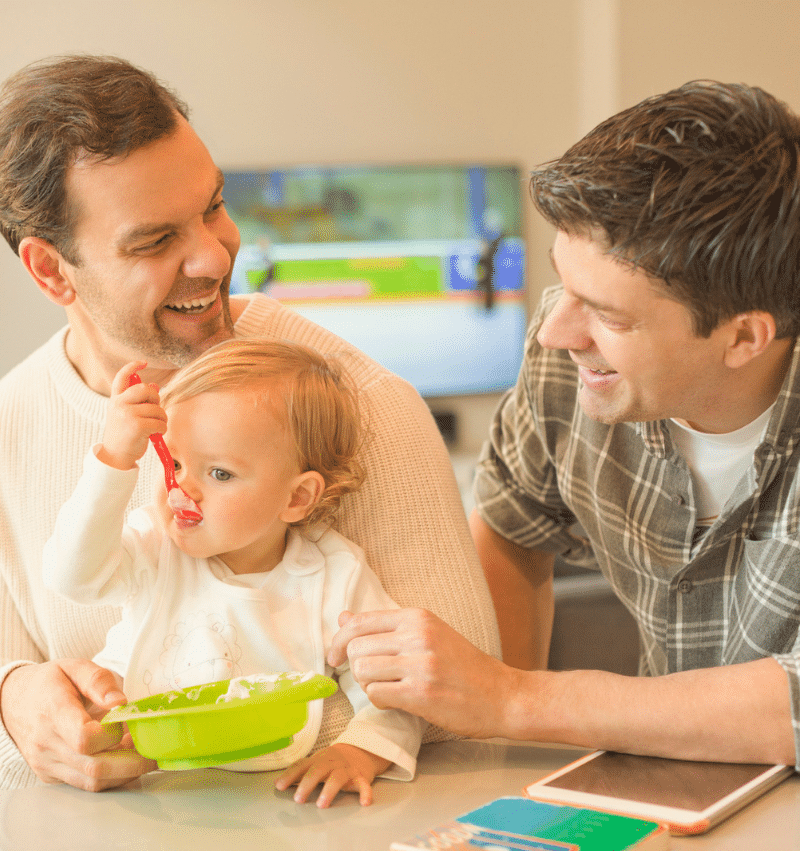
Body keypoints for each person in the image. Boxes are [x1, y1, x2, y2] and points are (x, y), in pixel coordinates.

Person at [0, 54, 500, 848]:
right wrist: (14, 707)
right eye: (155, 240)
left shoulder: (358, 403)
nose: (216, 256)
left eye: (213, 207)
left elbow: (464, 709)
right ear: (51, 270)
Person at [329, 79, 800, 769]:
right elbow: (515, 529)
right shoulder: (570, 364)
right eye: (562, 284)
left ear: (744, 338)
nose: (553, 331)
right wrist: (487, 752)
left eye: (608, 315)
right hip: (670, 787)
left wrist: (514, 700)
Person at [43, 339, 426, 808]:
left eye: (219, 474)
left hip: (271, 807)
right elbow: (72, 577)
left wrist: (360, 751)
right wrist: (115, 460)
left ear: (297, 498)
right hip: (138, 791)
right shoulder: (153, 544)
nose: (182, 488)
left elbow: (398, 684)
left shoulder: (333, 576)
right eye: (176, 462)